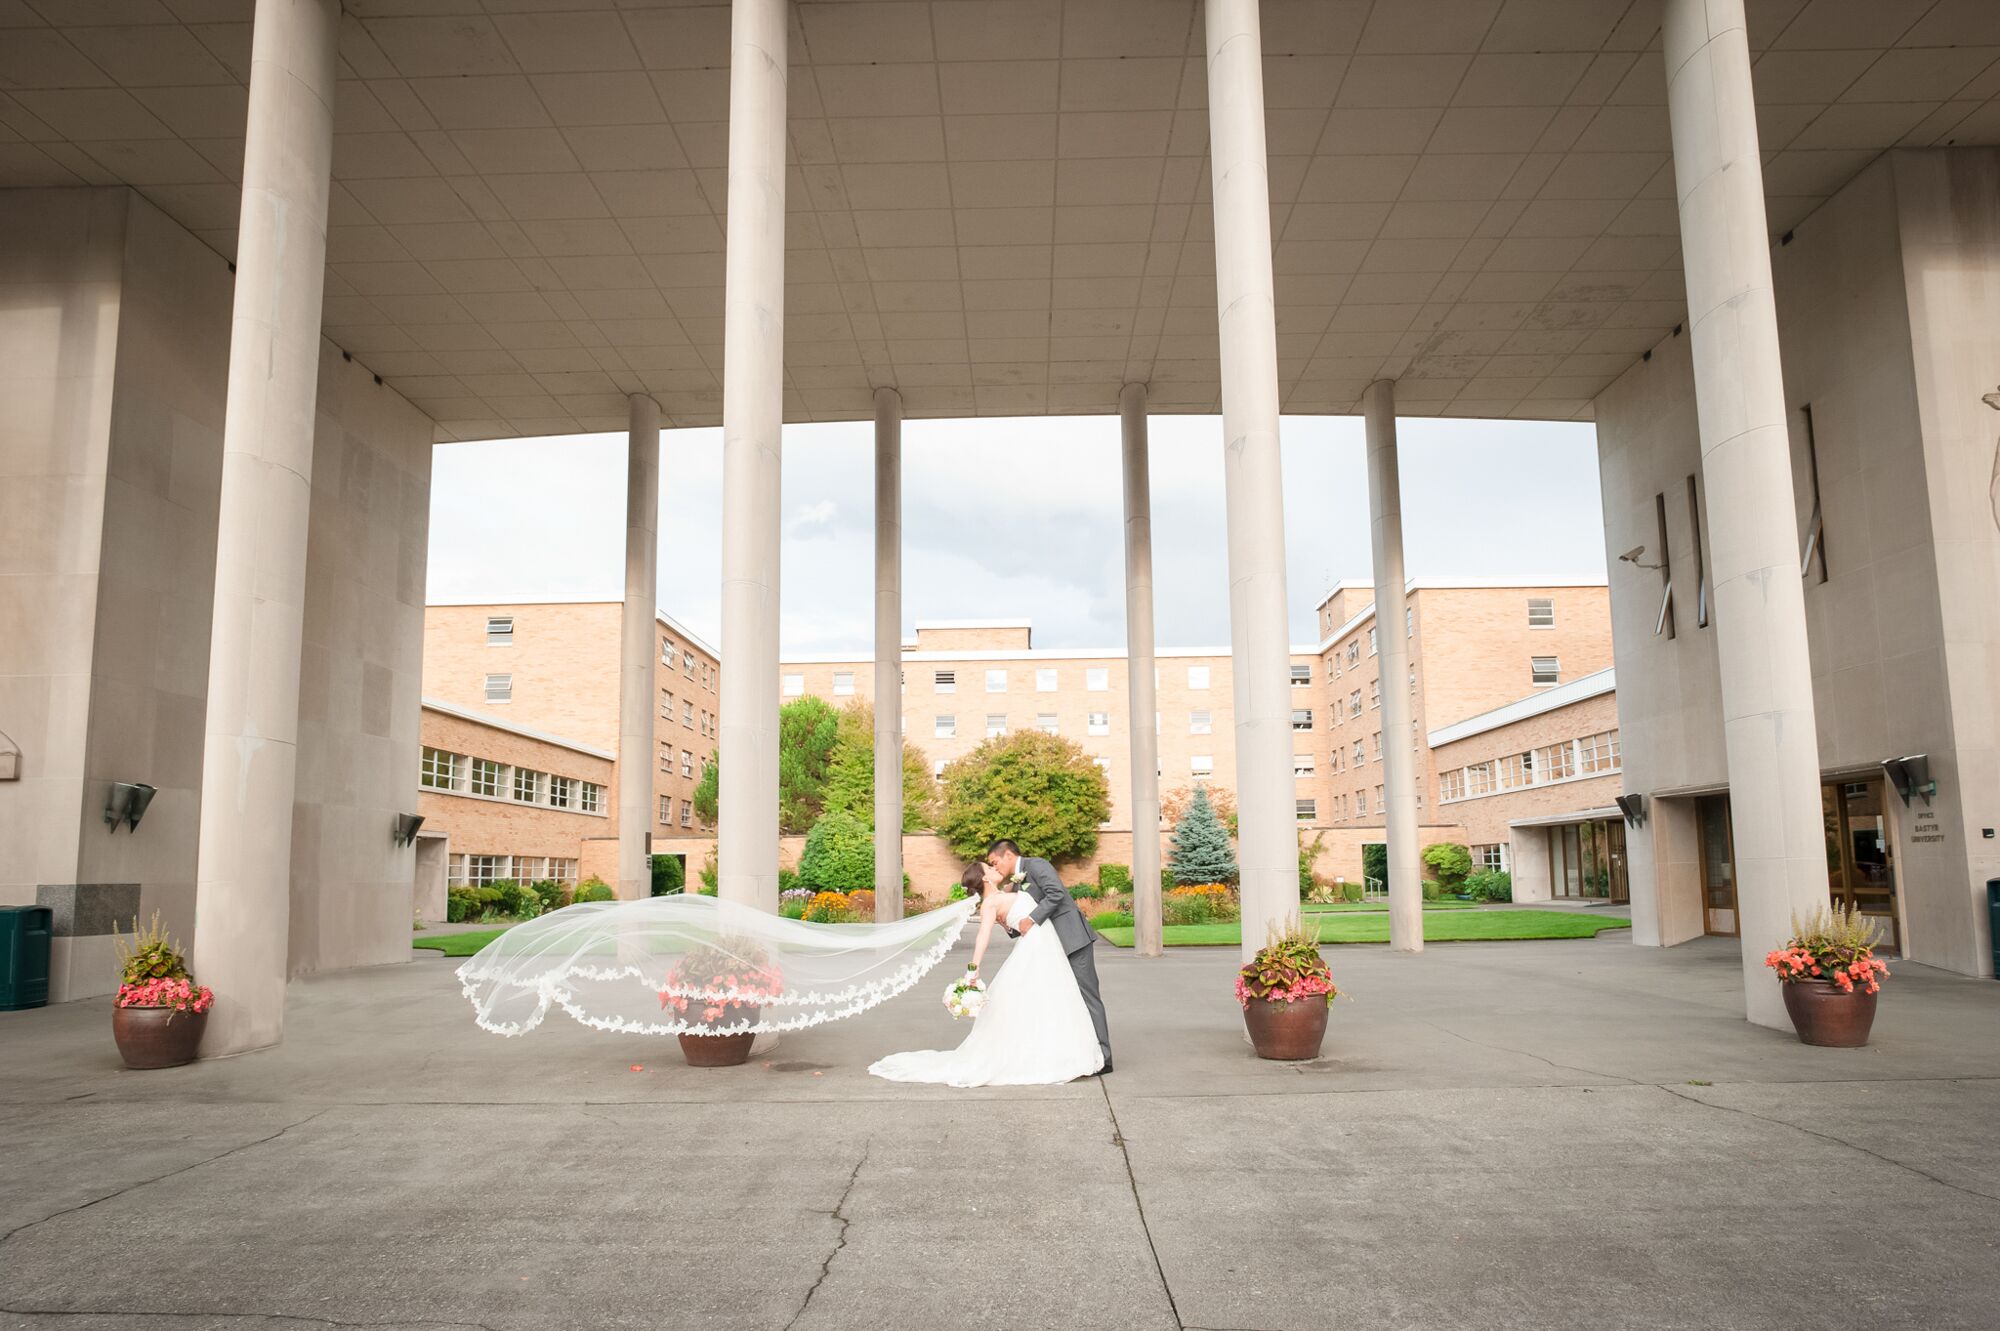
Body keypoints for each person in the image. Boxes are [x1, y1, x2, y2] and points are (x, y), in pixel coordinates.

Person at [867, 860, 1105, 1087]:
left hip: (1045, 945)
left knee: (1048, 999)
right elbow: (983, 936)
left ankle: (1053, 1051)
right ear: (984, 878)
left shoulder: (1009, 890)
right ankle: (1044, 1056)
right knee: (1044, 997)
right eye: (988, 867)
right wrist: (973, 967)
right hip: (1037, 949)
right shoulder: (990, 904)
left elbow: (1022, 919)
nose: (993, 868)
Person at [987, 838, 1112, 1072]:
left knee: (1088, 996)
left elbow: (1056, 894)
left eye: (995, 863)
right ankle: (1078, 1052)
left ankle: (1104, 1057)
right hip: (1047, 951)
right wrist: (1007, 925)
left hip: (1072, 940)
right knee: (1062, 1000)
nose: (995, 869)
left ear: (1008, 855)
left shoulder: (1037, 865)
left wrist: (1031, 918)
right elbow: (1021, 927)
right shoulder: (1013, 887)